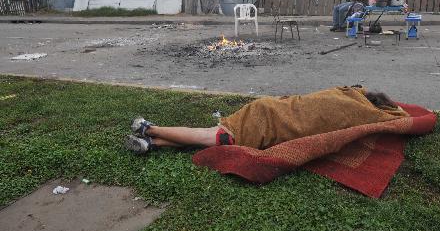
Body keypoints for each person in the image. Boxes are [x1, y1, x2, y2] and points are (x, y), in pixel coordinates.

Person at [124, 86, 409, 154]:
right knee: (214, 137)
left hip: (269, 108)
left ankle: (151, 142)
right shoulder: (365, 112)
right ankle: (150, 128)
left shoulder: (346, 92)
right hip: (268, 120)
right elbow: (403, 119)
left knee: (212, 135)